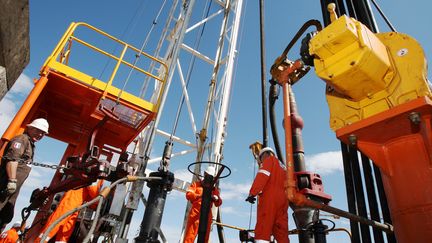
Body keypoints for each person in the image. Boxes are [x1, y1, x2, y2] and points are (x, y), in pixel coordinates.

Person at [0, 118, 49, 229]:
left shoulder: (30, 144)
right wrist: (12, 181)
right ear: (29, 128)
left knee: (5, 215)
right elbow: (12, 160)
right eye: (38, 130)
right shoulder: (21, 140)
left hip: (12, 190)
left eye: (43, 133)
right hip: (5, 185)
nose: (40, 134)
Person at [35, 180, 103, 243]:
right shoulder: (99, 170)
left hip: (76, 204)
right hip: (71, 201)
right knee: (54, 226)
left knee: (65, 232)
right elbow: (93, 188)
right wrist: (98, 203)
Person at [246, 147, 289, 243]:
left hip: (270, 198)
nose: (261, 161)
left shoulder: (269, 160)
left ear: (265, 154)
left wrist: (252, 193)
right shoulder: (283, 166)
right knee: (281, 230)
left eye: (261, 159)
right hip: (283, 201)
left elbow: (262, 176)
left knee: (264, 225)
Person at [184, 166, 222, 243]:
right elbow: (188, 195)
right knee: (189, 237)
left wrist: (216, 198)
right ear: (204, 174)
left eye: (211, 176)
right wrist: (199, 196)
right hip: (195, 213)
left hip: (208, 214)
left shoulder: (214, 190)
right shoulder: (196, 185)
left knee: (205, 238)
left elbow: (219, 202)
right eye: (208, 175)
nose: (209, 177)